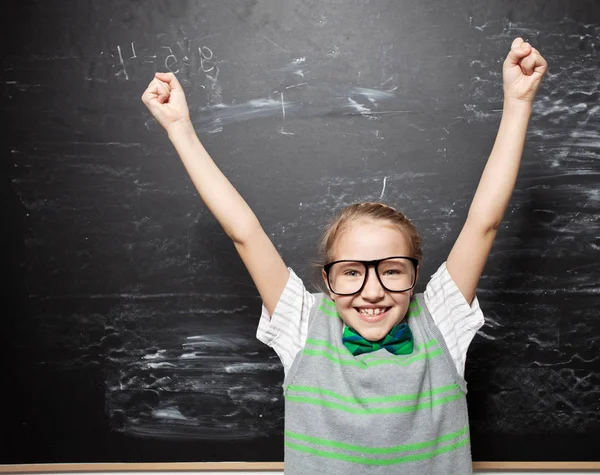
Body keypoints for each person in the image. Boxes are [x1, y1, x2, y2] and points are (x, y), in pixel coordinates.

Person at [142, 36, 547, 474]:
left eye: (391, 270)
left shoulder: (440, 324)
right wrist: (179, 127)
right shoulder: (302, 326)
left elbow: (483, 222)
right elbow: (244, 232)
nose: (372, 291)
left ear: (415, 275)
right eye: (352, 272)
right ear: (328, 281)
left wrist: (518, 101)